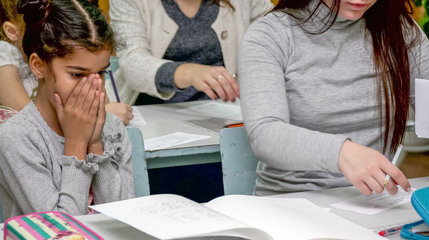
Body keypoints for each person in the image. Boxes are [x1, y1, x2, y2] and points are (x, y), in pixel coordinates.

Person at [238, 0, 429, 196]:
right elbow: (265, 134)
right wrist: (341, 153)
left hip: (373, 204)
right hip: (291, 204)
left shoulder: (401, 30)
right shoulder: (270, 35)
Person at [0, 0, 136, 223]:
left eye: (100, 73)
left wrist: (95, 145)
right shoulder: (17, 138)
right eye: (76, 75)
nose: (93, 87)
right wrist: (76, 144)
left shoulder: (112, 128)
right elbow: (62, 230)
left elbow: (125, 219)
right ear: (39, 66)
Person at [108, 0, 273, 105]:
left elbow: (274, 37)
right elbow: (133, 62)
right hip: (151, 118)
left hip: (227, 114)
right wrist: (189, 73)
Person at [0, 0, 134, 125]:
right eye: (77, 74)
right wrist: (98, 116)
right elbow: (28, 117)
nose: (51, 37)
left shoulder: (71, 58)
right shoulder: (5, 53)